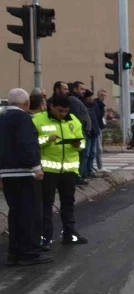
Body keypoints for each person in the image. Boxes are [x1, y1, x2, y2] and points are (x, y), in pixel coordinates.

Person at [0, 89, 52, 266]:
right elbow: (27, 143)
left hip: (7, 173)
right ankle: (30, 252)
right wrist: (36, 166)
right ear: (27, 103)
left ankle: (15, 253)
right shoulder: (24, 118)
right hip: (25, 173)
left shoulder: (2, 118)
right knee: (30, 214)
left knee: (15, 214)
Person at [33, 94, 89, 247]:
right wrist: (46, 140)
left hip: (68, 170)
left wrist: (78, 145)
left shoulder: (73, 120)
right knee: (46, 204)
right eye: (60, 111)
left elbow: (82, 142)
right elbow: (31, 144)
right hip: (48, 170)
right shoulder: (38, 120)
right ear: (51, 106)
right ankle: (46, 238)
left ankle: (69, 234)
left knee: (68, 203)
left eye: (66, 111)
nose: (63, 114)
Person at [82, 90, 101, 178]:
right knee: (87, 153)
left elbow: (96, 118)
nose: (92, 99)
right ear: (86, 98)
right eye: (90, 97)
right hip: (89, 133)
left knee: (92, 153)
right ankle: (85, 171)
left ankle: (90, 170)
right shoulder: (84, 107)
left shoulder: (93, 106)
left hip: (94, 132)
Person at [94, 89, 109, 173]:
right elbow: (98, 117)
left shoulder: (102, 105)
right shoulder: (97, 104)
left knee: (97, 148)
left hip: (99, 127)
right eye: (102, 95)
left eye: (105, 95)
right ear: (98, 95)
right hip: (97, 128)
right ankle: (99, 166)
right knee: (97, 148)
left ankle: (99, 166)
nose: (103, 97)